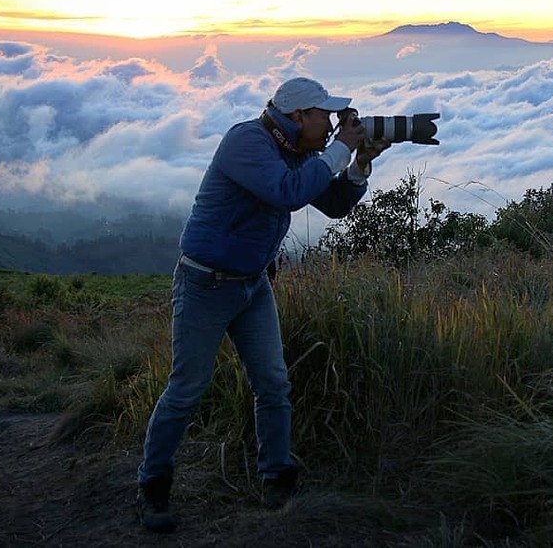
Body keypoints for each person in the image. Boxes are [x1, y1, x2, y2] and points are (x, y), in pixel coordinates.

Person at [136, 77, 390, 533]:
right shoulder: (247, 142)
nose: (333, 124)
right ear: (298, 116)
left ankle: (277, 478)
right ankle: (152, 485)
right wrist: (338, 150)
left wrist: (358, 166)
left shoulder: (299, 151)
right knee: (187, 388)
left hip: (253, 284)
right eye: (326, 115)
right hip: (205, 284)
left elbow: (332, 204)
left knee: (273, 383)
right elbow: (287, 192)